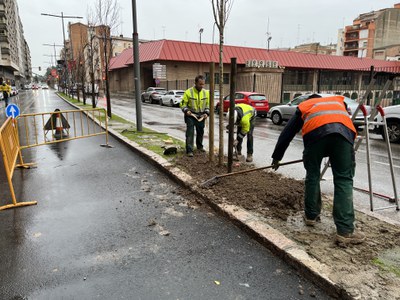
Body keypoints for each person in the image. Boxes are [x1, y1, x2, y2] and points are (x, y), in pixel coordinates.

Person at [271, 94, 365, 245]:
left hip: (314, 137)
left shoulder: (304, 106)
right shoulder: (337, 101)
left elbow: (287, 133)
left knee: (313, 176)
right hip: (343, 135)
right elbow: (339, 123)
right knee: (343, 180)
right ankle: (345, 231)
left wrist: (277, 157)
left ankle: (311, 216)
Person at [180, 75, 210, 157]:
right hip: (191, 115)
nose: (202, 86)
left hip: (201, 116)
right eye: (200, 84)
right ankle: (189, 150)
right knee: (190, 132)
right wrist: (186, 110)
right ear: (195, 83)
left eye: (203, 84)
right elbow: (182, 104)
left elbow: (209, 104)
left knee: (200, 132)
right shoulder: (188, 92)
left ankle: (200, 147)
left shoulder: (206, 93)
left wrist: (206, 113)